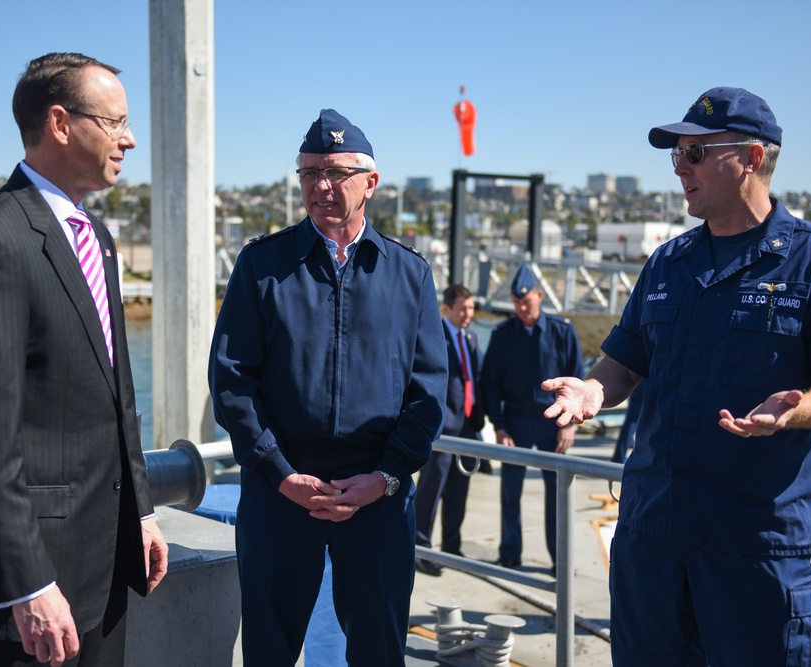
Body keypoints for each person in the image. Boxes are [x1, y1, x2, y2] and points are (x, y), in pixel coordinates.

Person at [542, 87, 811, 666]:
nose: (679, 167)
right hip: (653, 536)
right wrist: (593, 389)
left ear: (753, 158)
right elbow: (626, 360)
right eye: (675, 154)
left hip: (759, 546)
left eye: (696, 153)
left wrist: (795, 412)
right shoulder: (668, 263)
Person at [0, 53, 168, 667]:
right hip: (28, 601)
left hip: (104, 574)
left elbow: (119, 395)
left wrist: (139, 511)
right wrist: (27, 585)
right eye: (114, 123)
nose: (129, 139)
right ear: (61, 124)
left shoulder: (98, 239)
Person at [209, 108, 446, 666]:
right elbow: (231, 381)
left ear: (370, 182)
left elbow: (429, 391)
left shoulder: (410, 275)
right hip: (280, 495)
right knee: (269, 650)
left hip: (378, 500)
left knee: (379, 650)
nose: (320, 185)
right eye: (309, 172)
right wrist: (279, 473)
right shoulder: (261, 266)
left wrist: (386, 476)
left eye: (336, 172)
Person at [481, 264, 584, 569]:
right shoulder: (503, 336)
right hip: (515, 422)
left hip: (555, 423)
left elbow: (577, 380)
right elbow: (490, 382)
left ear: (540, 296)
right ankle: (510, 553)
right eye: (516, 303)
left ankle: (560, 560)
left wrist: (572, 426)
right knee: (511, 492)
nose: (522, 308)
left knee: (558, 496)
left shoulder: (562, 332)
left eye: (527, 301)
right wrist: (498, 427)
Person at [413, 284, 485, 576]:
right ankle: (422, 549)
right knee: (431, 489)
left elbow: (475, 379)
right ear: (447, 310)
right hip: (442, 430)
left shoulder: (470, 338)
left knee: (458, 490)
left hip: (467, 427)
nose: (468, 314)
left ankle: (452, 547)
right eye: (463, 309)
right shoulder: (434, 337)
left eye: (471, 308)